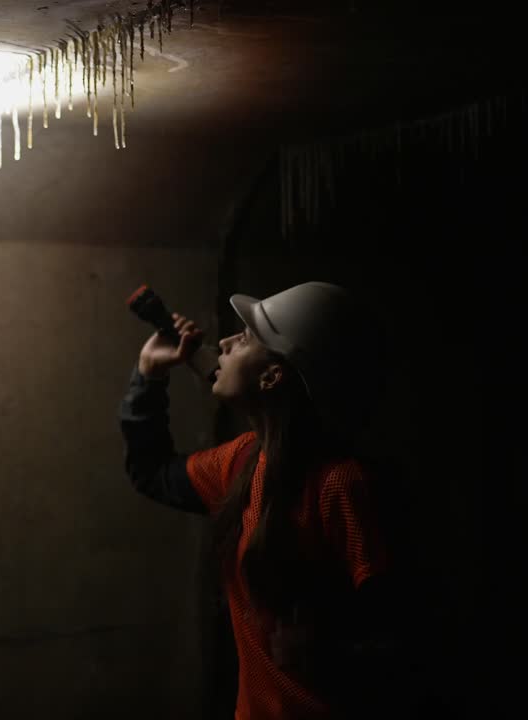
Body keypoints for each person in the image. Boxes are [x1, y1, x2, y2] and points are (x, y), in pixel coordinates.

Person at [118, 281, 404, 720]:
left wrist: (333, 656)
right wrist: (149, 373)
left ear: (272, 376)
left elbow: (407, 643)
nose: (227, 341)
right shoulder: (242, 463)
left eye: (247, 337)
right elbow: (152, 472)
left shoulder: (340, 485)